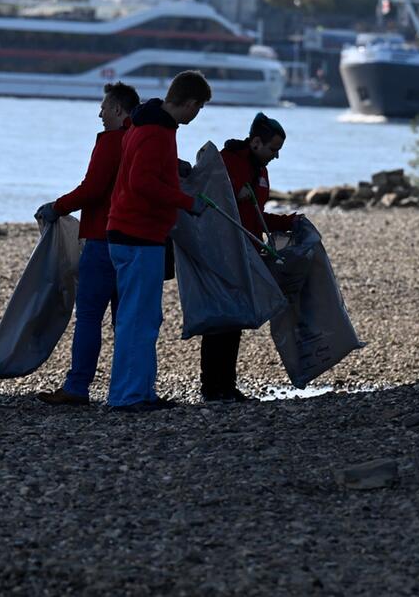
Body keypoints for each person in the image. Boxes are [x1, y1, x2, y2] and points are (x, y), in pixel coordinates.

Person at [105, 70, 211, 411]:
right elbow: (142, 183)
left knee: (141, 317)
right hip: (139, 234)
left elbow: (142, 169)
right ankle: (129, 396)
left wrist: (172, 167)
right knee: (138, 318)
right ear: (191, 103)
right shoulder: (155, 131)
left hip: (129, 231)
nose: (197, 115)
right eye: (199, 108)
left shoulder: (144, 123)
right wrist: (187, 202)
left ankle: (138, 391)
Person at [33, 82, 141, 406]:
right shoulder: (141, 141)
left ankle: (78, 387)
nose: (100, 112)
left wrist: (57, 207)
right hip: (134, 242)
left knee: (90, 316)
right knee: (127, 319)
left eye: (105, 107)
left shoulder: (112, 141)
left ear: (119, 110)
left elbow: (92, 189)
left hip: (101, 239)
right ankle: (127, 388)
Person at [201, 112, 296, 402]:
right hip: (223, 253)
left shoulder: (261, 169)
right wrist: (231, 191)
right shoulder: (227, 161)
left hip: (247, 253)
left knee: (237, 320)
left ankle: (226, 385)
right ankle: (212, 387)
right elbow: (206, 197)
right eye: (272, 150)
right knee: (221, 321)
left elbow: (256, 216)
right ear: (256, 142)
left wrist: (288, 222)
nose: (275, 156)